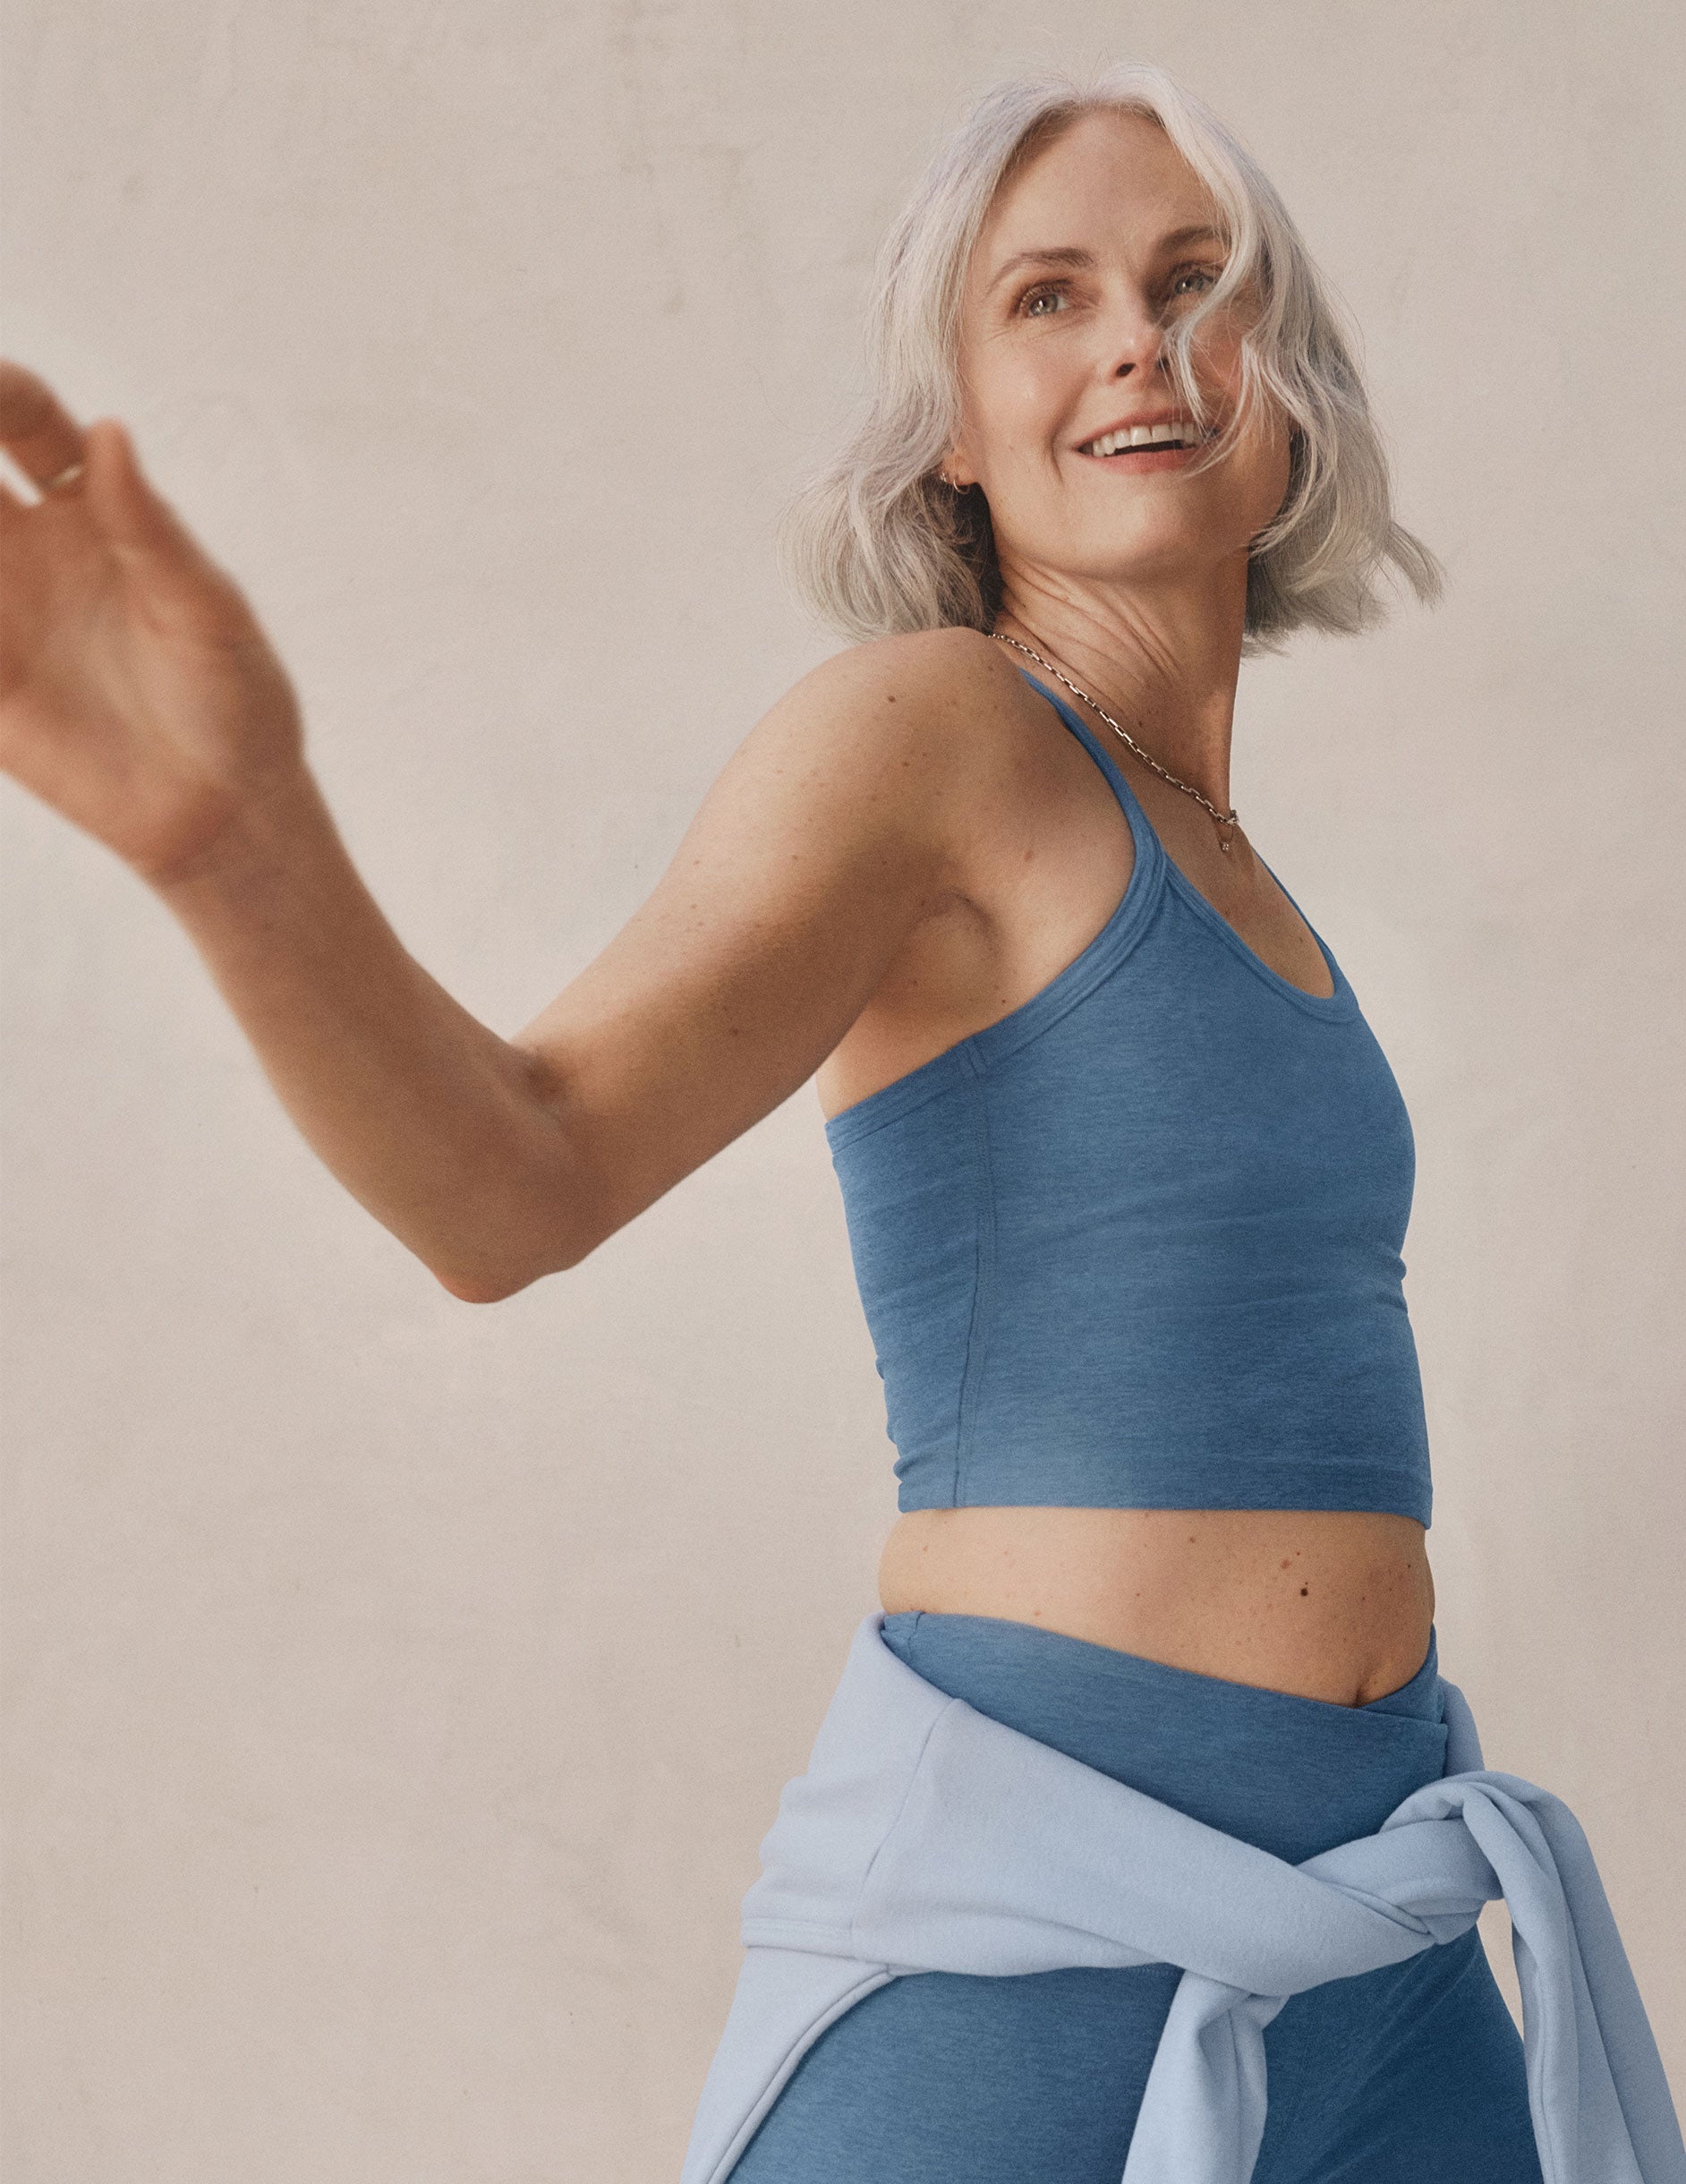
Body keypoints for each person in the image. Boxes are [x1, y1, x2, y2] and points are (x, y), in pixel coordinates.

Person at [2, 60, 1675, 2184]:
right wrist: (234, 840)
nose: (1138, 340)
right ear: (954, 432)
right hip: (1036, 1933)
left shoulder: (1230, 855)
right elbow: (514, 1178)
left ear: (1285, 373)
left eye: (1193, 280)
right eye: (1046, 299)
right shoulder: (941, 729)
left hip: (1378, 1929)